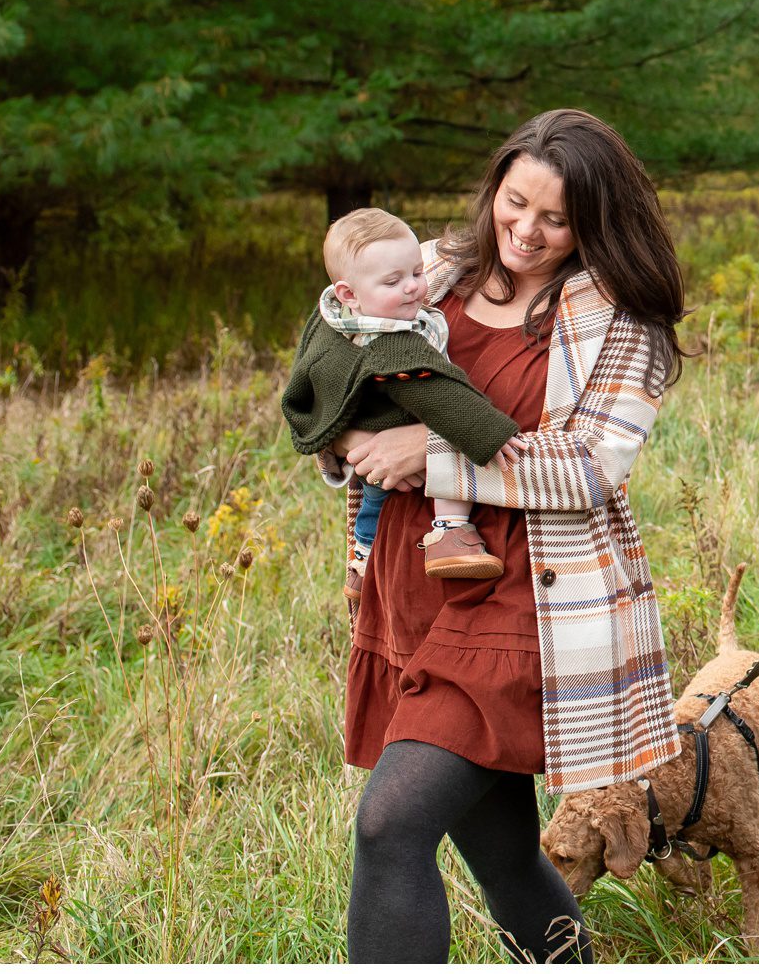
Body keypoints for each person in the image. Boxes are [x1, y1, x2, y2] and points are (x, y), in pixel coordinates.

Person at [322, 110, 690, 963]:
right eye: (514, 203)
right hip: (417, 577)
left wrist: (434, 455)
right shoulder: (434, 275)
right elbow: (340, 379)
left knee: (390, 826)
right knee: (500, 852)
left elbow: (592, 466)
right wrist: (352, 448)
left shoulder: (616, 318)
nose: (526, 231)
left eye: (555, 219)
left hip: (525, 599)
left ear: (593, 222)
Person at [285, 207, 528, 608]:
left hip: (375, 443)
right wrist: (489, 433)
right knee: (452, 438)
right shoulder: (390, 343)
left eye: (417, 272)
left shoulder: (334, 316)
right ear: (349, 293)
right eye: (394, 282)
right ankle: (450, 532)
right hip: (389, 428)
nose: (414, 288)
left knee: (375, 498)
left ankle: (362, 560)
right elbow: (438, 394)